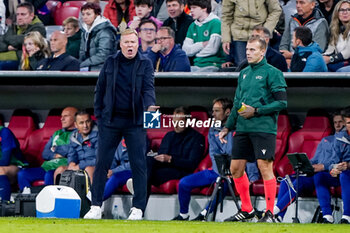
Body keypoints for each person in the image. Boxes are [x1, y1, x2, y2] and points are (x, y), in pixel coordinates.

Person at [84, 28, 157, 220]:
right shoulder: (110, 62)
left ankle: (138, 208)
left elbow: (149, 89)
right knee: (101, 164)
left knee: (139, 164)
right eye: (127, 42)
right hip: (110, 121)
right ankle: (95, 206)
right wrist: (99, 115)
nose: (130, 46)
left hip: (135, 122)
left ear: (138, 43)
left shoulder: (145, 63)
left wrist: (150, 107)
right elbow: (99, 90)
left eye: (133, 42)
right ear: (121, 44)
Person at [219, 35, 287, 222]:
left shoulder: (273, 73)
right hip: (242, 128)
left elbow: (282, 102)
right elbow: (236, 103)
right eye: (247, 49)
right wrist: (227, 127)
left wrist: (256, 111)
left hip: (263, 129)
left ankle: (270, 212)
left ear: (262, 51)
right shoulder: (244, 73)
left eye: (252, 50)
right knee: (235, 169)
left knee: (264, 167)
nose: (248, 53)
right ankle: (247, 209)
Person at [172, 98, 260, 221]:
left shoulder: (241, 128)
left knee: (222, 185)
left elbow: (248, 155)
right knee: (184, 183)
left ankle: (203, 214)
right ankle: (183, 215)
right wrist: (221, 172)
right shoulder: (213, 129)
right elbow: (214, 153)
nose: (213, 114)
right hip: (218, 170)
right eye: (213, 111)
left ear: (228, 112)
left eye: (217, 111)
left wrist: (252, 177)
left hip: (237, 173)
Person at [274, 112, 345, 222]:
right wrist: (306, 164)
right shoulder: (326, 140)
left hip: (331, 174)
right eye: (335, 122)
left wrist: (322, 166)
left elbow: (338, 161)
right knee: (286, 180)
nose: (337, 125)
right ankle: (279, 217)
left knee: (307, 180)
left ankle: (275, 210)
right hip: (315, 173)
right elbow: (315, 159)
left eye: (340, 122)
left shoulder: (345, 141)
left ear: (345, 123)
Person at [142, 107, 205, 198]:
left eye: (179, 121)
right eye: (174, 121)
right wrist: (158, 157)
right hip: (165, 166)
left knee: (151, 176)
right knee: (148, 160)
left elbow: (192, 164)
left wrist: (170, 159)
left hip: (182, 170)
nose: (175, 125)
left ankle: (139, 189)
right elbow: (161, 154)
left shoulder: (197, 138)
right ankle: (139, 187)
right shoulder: (169, 135)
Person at [17, 107, 78, 193]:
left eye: (66, 116)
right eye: (61, 116)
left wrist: (56, 149)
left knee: (49, 174)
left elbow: (72, 150)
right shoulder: (57, 133)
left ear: (75, 118)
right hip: (46, 167)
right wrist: (56, 155)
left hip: (63, 169)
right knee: (23, 174)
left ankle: (48, 203)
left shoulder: (78, 134)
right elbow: (45, 154)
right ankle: (27, 200)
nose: (62, 119)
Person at [221, 0, 282, 67]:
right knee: (242, 67)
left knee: (262, 65)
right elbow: (226, 15)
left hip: (260, 35)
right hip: (239, 36)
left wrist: (265, 30)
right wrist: (226, 38)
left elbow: (275, 10)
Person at [315, 107, 350, 224]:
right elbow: (334, 160)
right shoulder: (340, 138)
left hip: (347, 172)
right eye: (349, 123)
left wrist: (348, 165)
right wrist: (333, 169)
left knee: (345, 174)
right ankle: (327, 216)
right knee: (320, 176)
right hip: (342, 173)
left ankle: (347, 216)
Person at [279, 0, 329, 66]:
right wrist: (286, 59)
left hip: (309, 63)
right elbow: (283, 45)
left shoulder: (320, 23)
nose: (298, 6)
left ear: (312, 5)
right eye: (297, 2)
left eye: (302, 3)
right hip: (288, 61)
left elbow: (318, 50)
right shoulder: (292, 20)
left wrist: (292, 57)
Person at [54, 110, 97, 183]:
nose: (85, 126)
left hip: (94, 166)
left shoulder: (99, 135)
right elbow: (72, 153)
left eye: (87, 122)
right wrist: (72, 162)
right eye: (81, 123)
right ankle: (59, 194)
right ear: (76, 125)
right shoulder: (74, 136)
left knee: (88, 170)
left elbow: (100, 159)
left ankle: (92, 194)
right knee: (60, 170)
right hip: (79, 166)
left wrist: (79, 166)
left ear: (91, 122)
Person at [0, 2, 46, 70]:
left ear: (31, 15)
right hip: (10, 56)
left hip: (26, 60)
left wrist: (10, 40)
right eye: (18, 14)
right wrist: (8, 47)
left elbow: (25, 41)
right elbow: (1, 41)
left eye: (23, 14)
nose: (19, 17)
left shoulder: (38, 28)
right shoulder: (14, 26)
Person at [182, 0, 225, 72]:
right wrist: (202, 44)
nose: (191, 11)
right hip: (196, 65)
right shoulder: (192, 26)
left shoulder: (216, 23)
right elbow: (186, 51)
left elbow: (212, 49)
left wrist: (196, 53)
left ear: (204, 8)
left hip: (213, 65)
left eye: (194, 8)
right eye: (190, 8)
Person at [80, 2, 117, 71]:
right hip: (88, 67)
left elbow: (104, 55)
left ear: (97, 15)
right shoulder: (84, 30)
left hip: (104, 69)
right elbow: (82, 52)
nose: (85, 17)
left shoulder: (106, 30)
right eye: (83, 14)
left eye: (88, 14)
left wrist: (83, 64)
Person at [0, 126, 27, 201]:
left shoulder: (4, 132)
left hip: (16, 166)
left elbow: (5, 160)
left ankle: (3, 205)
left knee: (0, 170)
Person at [323, 0, 350, 72]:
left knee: (340, 71)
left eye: (348, 9)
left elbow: (347, 53)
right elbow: (330, 50)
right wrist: (321, 57)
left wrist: (330, 59)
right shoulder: (336, 30)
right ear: (337, 13)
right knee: (321, 68)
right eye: (341, 10)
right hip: (340, 62)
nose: (345, 12)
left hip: (347, 63)